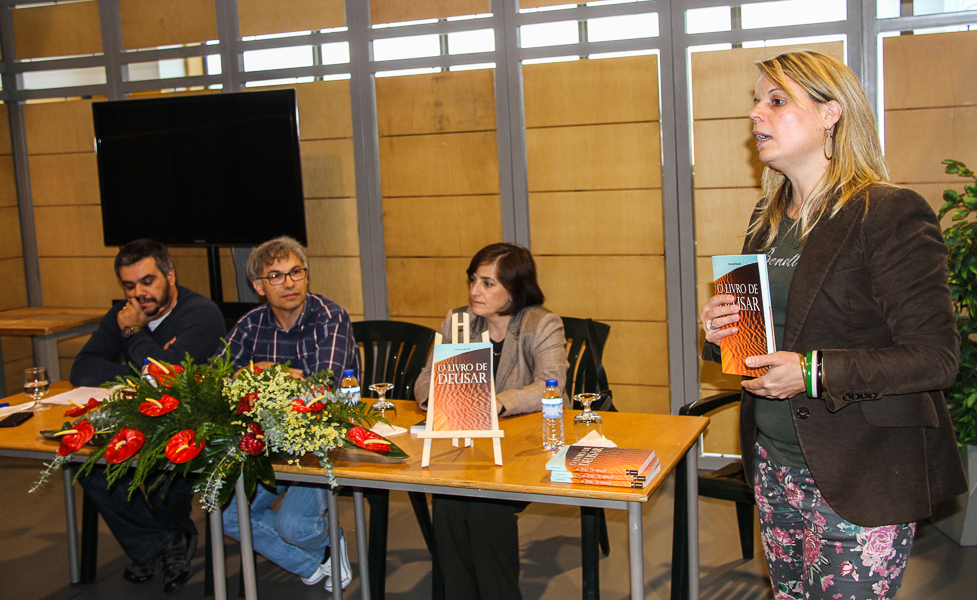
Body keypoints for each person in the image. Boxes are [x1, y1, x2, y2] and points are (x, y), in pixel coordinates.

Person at [699, 50, 967, 600]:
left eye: (776, 101)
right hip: (775, 465)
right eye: (755, 102)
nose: (755, 114)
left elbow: (936, 356)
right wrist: (721, 328)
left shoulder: (888, 212)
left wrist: (811, 372)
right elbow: (766, 340)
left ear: (831, 114)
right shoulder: (766, 219)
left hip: (861, 471)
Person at [70, 239, 226, 593]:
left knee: (163, 460)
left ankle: (153, 545)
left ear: (170, 276)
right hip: (138, 416)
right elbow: (83, 370)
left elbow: (167, 375)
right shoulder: (123, 315)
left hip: (192, 422)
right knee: (86, 458)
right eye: (129, 285)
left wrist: (136, 336)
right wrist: (144, 377)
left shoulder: (200, 313)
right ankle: (163, 543)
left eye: (147, 281)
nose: (139, 294)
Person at [414, 242, 569, 600]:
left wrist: (494, 403)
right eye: (473, 280)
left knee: (485, 506)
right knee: (451, 501)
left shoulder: (540, 323)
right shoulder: (458, 321)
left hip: (524, 448)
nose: (474, 291)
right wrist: (439, 396)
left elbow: (550, 386)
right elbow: (425, 377)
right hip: (468, 445)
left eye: (487, 283)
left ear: (514, 290)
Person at [220, 236, 359, 592]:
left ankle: (312, 547)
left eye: (296, 272)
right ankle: (319, 556)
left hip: (323, 441)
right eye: (276, 276)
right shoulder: (251, 324)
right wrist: (257, 373)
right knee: (230, 516)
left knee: (294, 527)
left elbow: (322, 391)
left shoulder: (329, 317)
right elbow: (215, 379)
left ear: (307, 276)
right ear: (258, 286)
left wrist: (263, 377)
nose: (289, 283)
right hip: (269, 441)